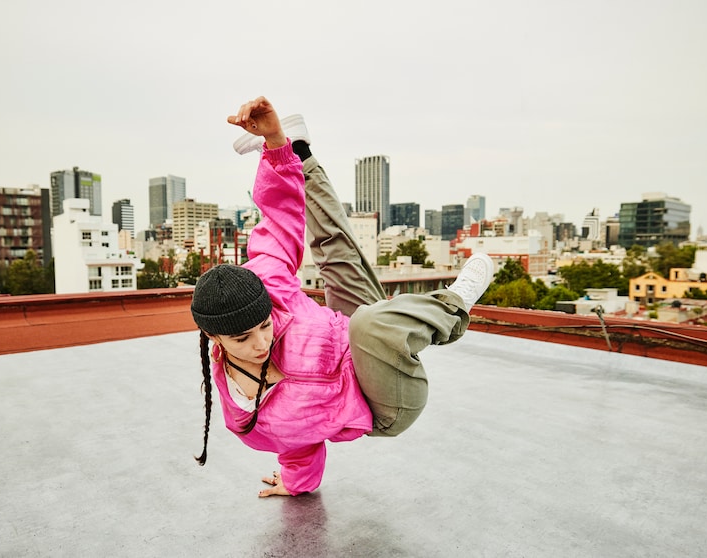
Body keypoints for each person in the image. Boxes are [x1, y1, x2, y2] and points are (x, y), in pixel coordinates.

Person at [189, 97, 494, 497]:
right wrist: (296, 484)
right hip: (383, 403)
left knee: (336, 251)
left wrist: (277, 145)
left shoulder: (267, 285)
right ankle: (454, 304)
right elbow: (296, 443)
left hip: (346, 334)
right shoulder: (241, 411)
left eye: (264, 326)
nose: (262, 342)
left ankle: (302, 151)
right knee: (370, 324)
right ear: (216, 340)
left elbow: (281, 218)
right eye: (243, 339)